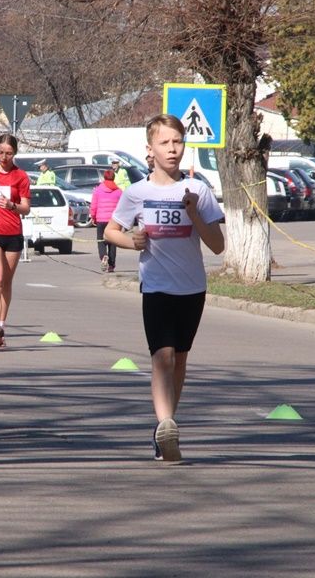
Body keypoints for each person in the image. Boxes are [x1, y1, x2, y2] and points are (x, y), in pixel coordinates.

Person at [103, 114, 225, 462]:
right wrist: (132, 240)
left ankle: (166, 428)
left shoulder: (198, 190)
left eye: (178, 142)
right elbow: (112, 230)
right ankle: (166, 425)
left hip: (191, 288)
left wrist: (195, 213)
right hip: (155, 286)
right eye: (165, 143)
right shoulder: (137, 192)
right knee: (162, 357)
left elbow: (217, 245)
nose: (173, 149)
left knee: (181, 360)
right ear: (150, 149)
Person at [0, 134, 31, 348]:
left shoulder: (20, 176)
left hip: (13, 233)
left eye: (8, 153)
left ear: (15, 153)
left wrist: (12, 205)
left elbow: (26, 208)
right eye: (0, 152)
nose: (4, 157)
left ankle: (1, 325)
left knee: (7, 282)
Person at [90, 169, 122, 273]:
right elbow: (122, 207)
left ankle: (104, 256)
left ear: (104, 177)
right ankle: (111, 266)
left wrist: (93, 217)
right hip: (113, 221)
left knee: (101, 241)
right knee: (113, 243)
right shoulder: (119, 191)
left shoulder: (97, 190)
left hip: (101, 220)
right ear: (114, 177)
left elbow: (93, 206)